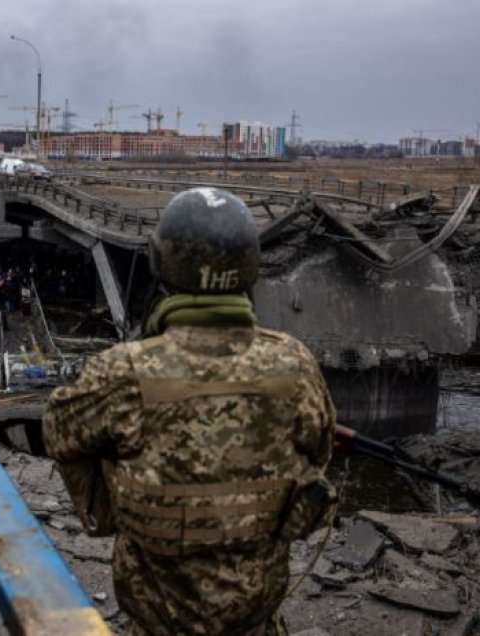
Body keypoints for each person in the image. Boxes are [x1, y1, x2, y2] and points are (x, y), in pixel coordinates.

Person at [43, 188, 337, 636]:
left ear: (163, 264)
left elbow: (59, 431)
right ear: (250, 266)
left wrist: (107, 502)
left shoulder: (124, 371)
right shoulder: (295, 366)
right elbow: (318, 455)